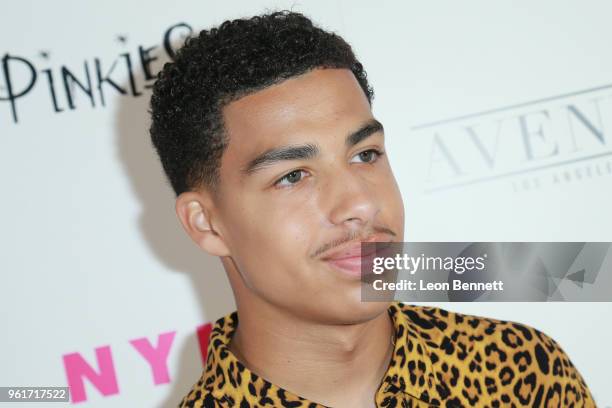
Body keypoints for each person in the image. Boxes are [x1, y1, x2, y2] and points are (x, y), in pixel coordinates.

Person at [148, 10, 595, 408]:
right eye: (292, 176)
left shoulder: (522, 372)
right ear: (206, 224)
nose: (359, 202)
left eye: (365, 155)